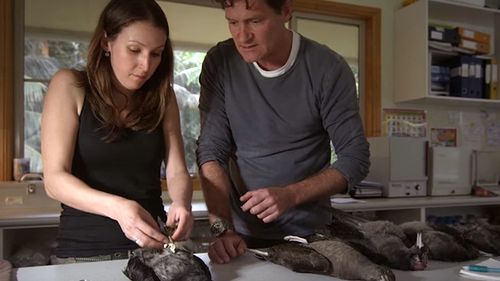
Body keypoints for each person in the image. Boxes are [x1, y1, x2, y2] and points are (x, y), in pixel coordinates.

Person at [196, 0, 370, 264]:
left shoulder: (328, 68)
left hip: (312, 236)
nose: (243, 37)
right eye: (233, 22)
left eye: (255, 21)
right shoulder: (220, 62)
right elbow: (211, 151)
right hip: (241, 237)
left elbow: (355, 159)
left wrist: (290, 195)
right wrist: (222, 228)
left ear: (286, 11)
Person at [41, 0, 193, 264]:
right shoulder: (69, 86)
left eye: (156, 53)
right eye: (134, 50)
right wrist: (120, 208)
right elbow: (55, 180)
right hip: (85, 251)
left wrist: (182, 203)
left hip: (154, 252)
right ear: (106, 43)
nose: (145, 65)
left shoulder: (163, 97)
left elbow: (177, 169)